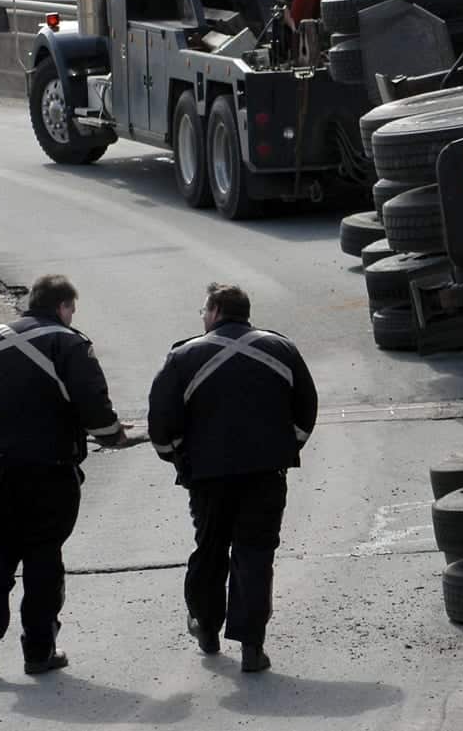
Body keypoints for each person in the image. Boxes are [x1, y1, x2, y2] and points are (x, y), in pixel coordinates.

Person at [0, 274, 144, 675]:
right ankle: (38, 651)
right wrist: (117, 437)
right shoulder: (70, 344)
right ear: (63, 307)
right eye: (72, 310)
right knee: (42, 555)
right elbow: (95, 410)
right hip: (49, 472)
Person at [148, 282, 317, 673]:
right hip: (265, 474)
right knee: (255, 555)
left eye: (204, 311)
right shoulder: (281, 349)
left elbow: (161, 419)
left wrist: (176, 458)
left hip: (207, 476)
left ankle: (206, 626)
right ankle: (252, 646)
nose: (202, 318)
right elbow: (306, 407)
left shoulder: (183, 356)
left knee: (210, 549)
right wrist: (284, 448)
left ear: (216, 311)